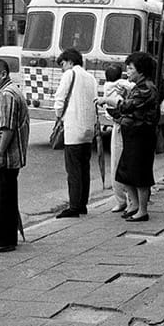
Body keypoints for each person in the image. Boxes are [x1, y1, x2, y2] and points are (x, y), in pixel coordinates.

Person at [101, 52, 160, 222]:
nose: (128, 71)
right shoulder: (138, 87)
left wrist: (108, 100)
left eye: (131, 68)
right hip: (132, 134)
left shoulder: (146, 88)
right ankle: (133, 205)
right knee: (125, 172)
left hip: (142, 136)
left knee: (140, 174)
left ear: (141, 70)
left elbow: (127, 107)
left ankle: (142, 210)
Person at [0, 58, 30, 253]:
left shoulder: (7, 95)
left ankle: (3, 240)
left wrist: (0, 154)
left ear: (3, 74)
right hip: (10, 156)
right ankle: (8, 237)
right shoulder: (8, 92)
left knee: (2, 199)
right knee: (7, 197)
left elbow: (8, 128)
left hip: (6, 156)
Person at [53, 47, 98, 218]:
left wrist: (58, 115)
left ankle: (74, 206)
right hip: (88, 129)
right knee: (84, 168)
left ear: (70, 62)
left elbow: (60, 98)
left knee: (73, 170)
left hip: (73, 129)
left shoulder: (70, 74)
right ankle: (82, 204)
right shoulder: (91, 77)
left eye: (63, 64)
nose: (62, 68)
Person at [99, 63, 134, 213]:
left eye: (131, 69)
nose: (128, 72)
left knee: (122, 164)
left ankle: (128, 200)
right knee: (118, 164)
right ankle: (123, 200)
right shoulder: (121, 84)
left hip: (125, 125)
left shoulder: (108, 86)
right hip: (120, 124)